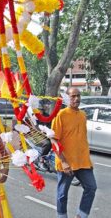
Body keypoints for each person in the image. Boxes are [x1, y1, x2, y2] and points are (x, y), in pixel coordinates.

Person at [51, 88, 97, 218]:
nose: (76, 99)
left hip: (83, 162)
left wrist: (88, 160)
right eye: (73, 96)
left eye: (78, 96)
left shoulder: (83, 115)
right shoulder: (61, 114)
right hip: (67, 162)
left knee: (91, 187)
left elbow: (82, 139)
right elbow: (54, 140)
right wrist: (64, 162)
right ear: (68, 98)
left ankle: (81, 215)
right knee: (62, 194)